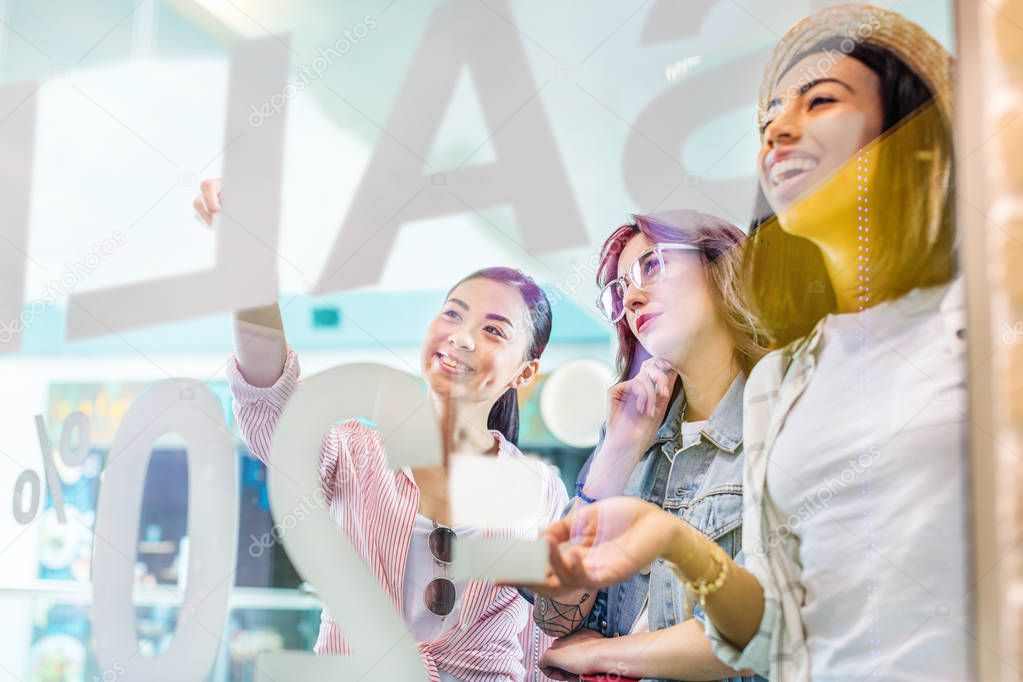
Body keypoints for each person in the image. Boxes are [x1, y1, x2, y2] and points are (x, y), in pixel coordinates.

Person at [527, 4, 968, 681]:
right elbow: (772, 634)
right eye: (765, 122)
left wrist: (596, 651)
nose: (777, 132)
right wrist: (673, 535)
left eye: (819, 100)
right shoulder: (782, 386)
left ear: (912, 137)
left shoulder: (977, 323)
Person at [194, 180, 570, 681]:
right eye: (453, 314)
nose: (460, 336)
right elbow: (271, 400)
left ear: (525, 373)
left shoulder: (541, 491)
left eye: (494, 329)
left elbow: (542, 649)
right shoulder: (353, 452)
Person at [529, 211, 766, 681]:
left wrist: (599, 656)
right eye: (619, 292)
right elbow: (554, 615)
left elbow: (757, 631)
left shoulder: (778, 421)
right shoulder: (632, 437)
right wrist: (618, 453)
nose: (633, 297)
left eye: (652, 266)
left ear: (721, 269)